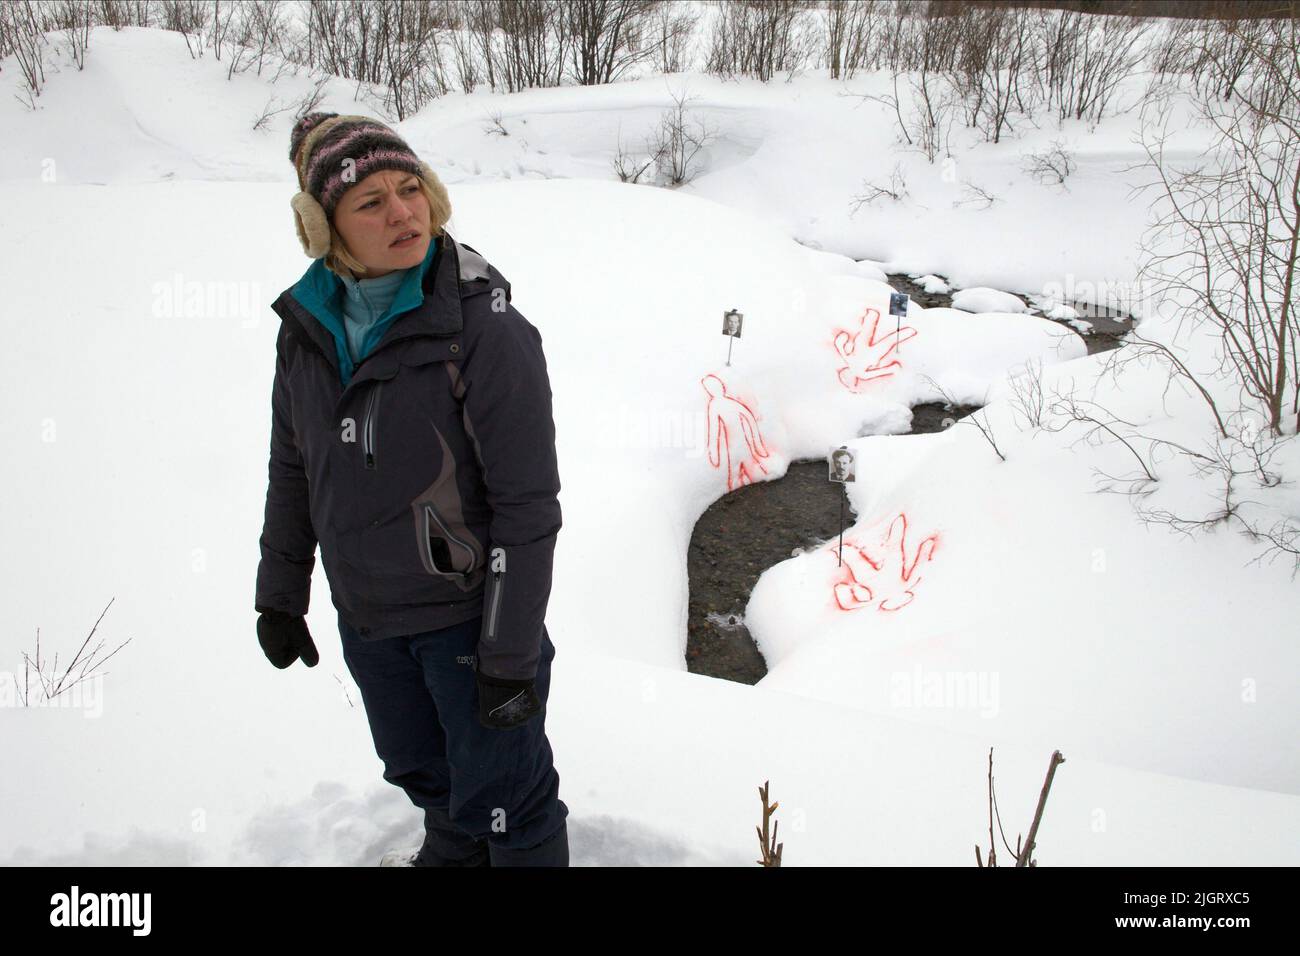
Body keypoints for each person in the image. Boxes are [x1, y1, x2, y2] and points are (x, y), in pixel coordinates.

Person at [253, 112, 569, 867]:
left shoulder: (484, 328)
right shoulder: (304, 330)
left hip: (470, 624)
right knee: (422, 774)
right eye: (371, 202)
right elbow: (293, 467)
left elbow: (528, 509)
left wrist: (509, 660)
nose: (403, 212)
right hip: (367, 619)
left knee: (507, 805)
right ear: (324, 230)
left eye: (410, 189)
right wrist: (281, 591)